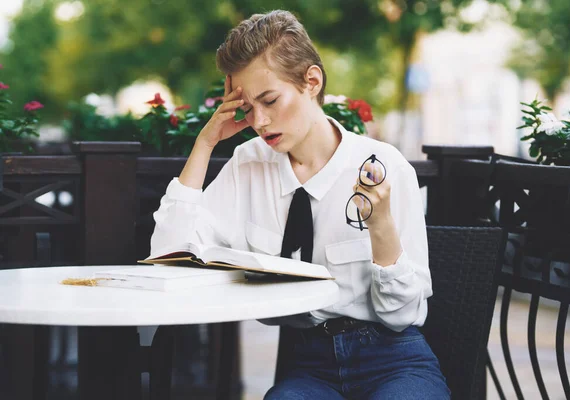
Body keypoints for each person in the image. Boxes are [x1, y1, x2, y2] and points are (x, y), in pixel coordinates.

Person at [150, 9, 450, 400]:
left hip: (394, 358)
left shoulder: (383, 167)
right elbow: (168, 255)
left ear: (311, 81)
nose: (258, 120)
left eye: (270, 100)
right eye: (246, 107)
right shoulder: (248, 165)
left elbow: (402, 315)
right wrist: (205, 145)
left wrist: (380, 228)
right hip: (310, 366)